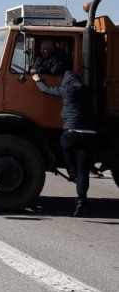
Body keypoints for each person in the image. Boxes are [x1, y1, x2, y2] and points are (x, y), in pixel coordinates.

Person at [32, 69, 96, 217]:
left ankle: (71, 173)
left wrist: (37, 79)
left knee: (64, 146)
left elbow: (46, 89)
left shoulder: (67, 90)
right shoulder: (89, 91)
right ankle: (81, 200)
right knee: (84, 170)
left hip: (72, 131)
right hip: (89, 133)